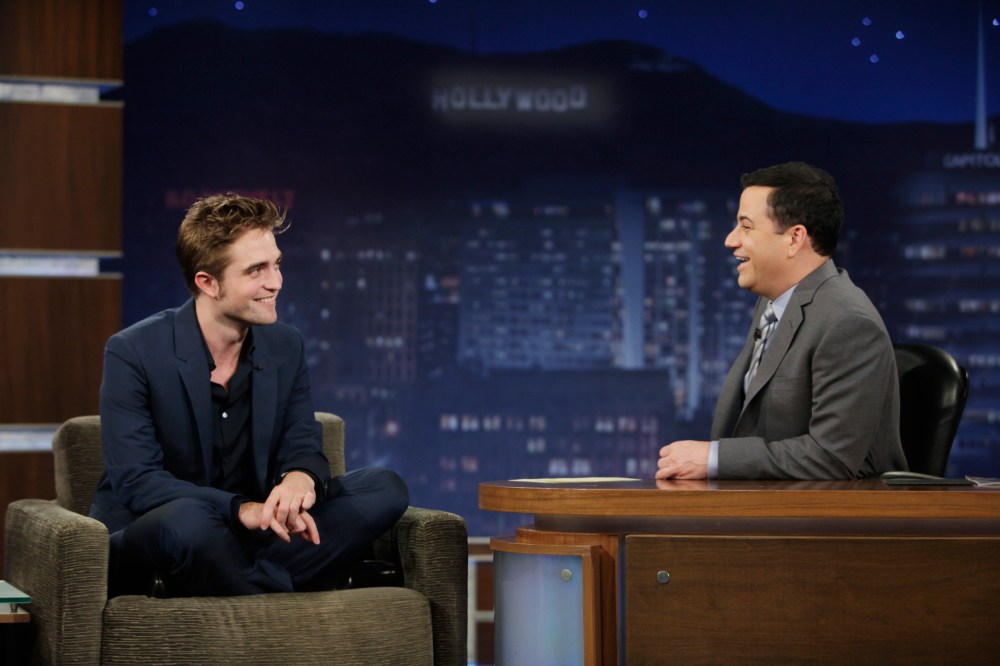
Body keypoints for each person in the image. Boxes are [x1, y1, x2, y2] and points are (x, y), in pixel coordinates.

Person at [90, 193, 409, 596]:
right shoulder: (133, 351)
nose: (275, 282)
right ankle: (300, 582)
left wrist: (298, 480)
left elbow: (302, 444)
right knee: (188, 522)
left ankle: (229, 580)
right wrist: (241, 509)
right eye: (257, 270)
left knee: (384, 487)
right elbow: (138, 482)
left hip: (255, 534)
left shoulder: (285, 345)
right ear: (208, 282)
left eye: (276, 264)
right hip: (167, 528)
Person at [656, 162, 908, 480]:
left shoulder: (849, 323)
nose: (730, 240)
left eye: (746, 227)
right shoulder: (774, 302)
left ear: (794, 238)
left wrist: (715, 458)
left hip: (831, 509)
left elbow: (832, 458)